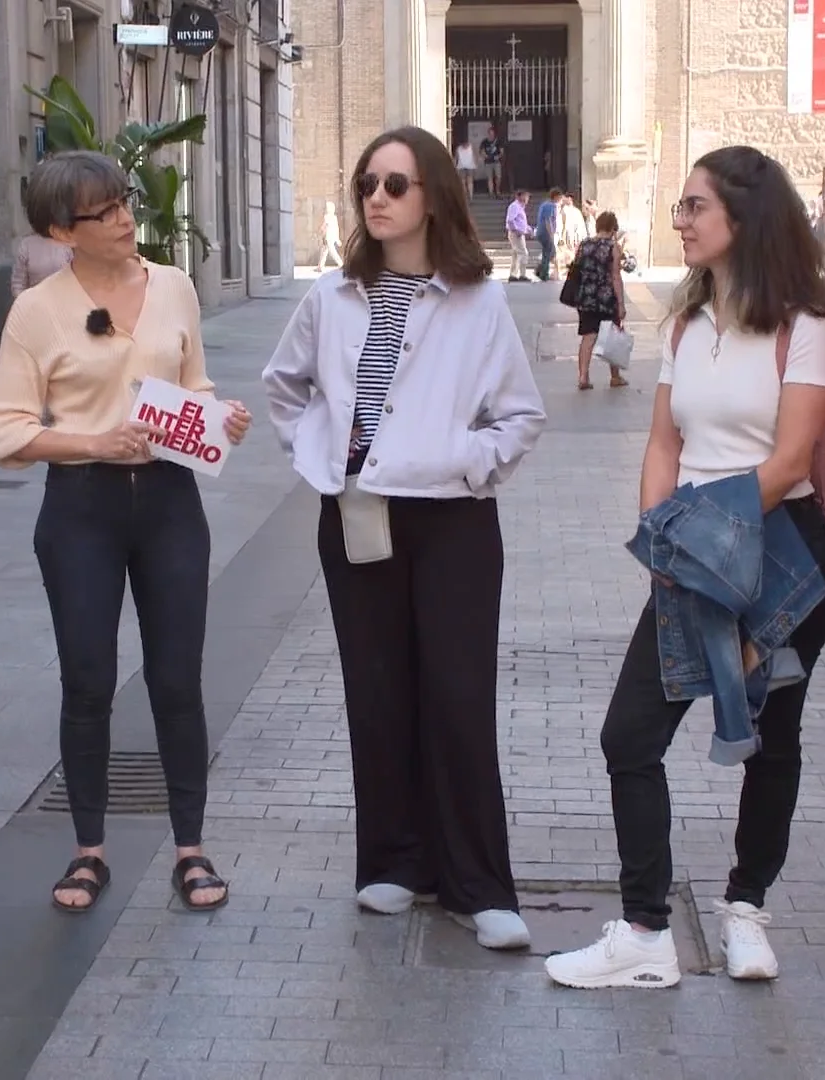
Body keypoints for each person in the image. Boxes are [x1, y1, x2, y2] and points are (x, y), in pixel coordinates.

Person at [544, 145, 825, 993]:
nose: (679, 221)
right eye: (679, 208)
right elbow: (665, 442)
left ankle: (746, 909)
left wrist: (699, 537)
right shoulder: (685, 322)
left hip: (778, 558)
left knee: (770, 737)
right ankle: (643, 933)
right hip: (694, 556)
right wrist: (658, 540)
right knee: (629, 738)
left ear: (743, 219)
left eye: (692, 207)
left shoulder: (802, 322)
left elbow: (789, 461)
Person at [262, 125, 546, 951]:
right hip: (359, 514)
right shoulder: (331, 298)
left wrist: (468, 459)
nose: (377, 200)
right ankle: (393, 861)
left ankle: (478, 885)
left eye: (395, 185)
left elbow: (522, 415)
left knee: (457, 696)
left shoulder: (478, 299)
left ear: (432, 197)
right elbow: (285, 389)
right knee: (377, 690)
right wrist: (323, 458)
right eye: (367, 186)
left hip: (453, 520)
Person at [0, 150, 252, 914]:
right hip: (81, 510)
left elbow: (191, 384)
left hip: (170, 503)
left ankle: (192, 849)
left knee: (177, 680)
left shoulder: (173, 285)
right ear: (61, 231)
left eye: (123, 202)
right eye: (101, 212)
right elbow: (6, 434)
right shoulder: (38, 310)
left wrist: (218, 415)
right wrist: (94, 443)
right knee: (88, 682)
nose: (124, 218)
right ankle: (88, 852)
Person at [566, 211, 627, 391]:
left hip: (586, 297)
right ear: (613, 228)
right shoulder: (613, 247)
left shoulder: (584, 245)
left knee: (588, 336)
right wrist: (621, 303)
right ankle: (615, 377)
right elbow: (615, 276)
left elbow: (577, 270)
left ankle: (583, 376)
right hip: (607, 297)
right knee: (612, 335)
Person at [12, 231, 74, 297]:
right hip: (35, 302)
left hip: (64, 299)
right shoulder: (27, 244)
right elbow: (18, 284)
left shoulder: (67, 242)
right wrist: (25, 304)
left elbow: (76, 278)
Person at [504, 190, 534, 282]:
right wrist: (516, 230)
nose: (527, 199)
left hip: (519, 233)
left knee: (516, 254)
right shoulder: (515, 206)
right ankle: (522, 274)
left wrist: (529, 230)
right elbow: (510, 220)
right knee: (523, 253)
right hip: (516, 233)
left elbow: (522, 223)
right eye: (526, 196)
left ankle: (513, 274)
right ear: (520, 196)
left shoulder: (520, 207)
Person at [532, 187, 561, 281]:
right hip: (545, 232)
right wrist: (551, 234)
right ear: (555, 196)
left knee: (547, 252)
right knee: (548, 253)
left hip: (540, 232)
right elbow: (548, 220)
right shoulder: (551, 206)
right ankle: (543, 273)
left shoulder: (544, 204)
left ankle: (541, 271)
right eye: (559, 197)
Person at [316, 200, 344, 271]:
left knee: (332, 252)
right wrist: (337, 238)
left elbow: (325, 226)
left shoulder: (327, 217)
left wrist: (321, 230)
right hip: (330, 237)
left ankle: (341, 264)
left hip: (328, 237)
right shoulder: (334, 217)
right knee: (324, 252)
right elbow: (336, 228)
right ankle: (320, 266)